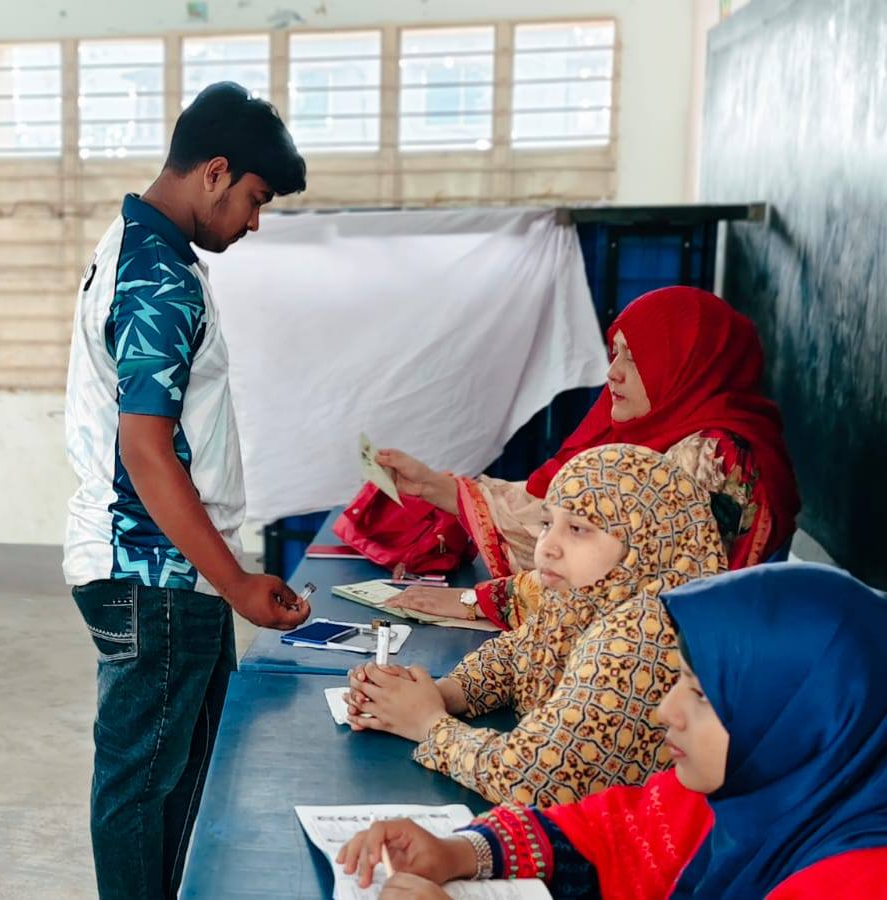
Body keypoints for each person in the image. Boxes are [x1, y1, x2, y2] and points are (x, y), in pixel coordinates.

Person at [62, 82, 309, 900]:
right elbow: (146, 452)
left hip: (171, 571)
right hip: (154, 575)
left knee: (184, 783)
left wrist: (226, 577)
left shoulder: (143, 249)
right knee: (142, 789)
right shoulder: (156, 277)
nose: (254, 221)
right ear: (214, 172)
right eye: (255, 199)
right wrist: (235, 582)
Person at [334, 563, 887, 899]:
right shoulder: (736, 798)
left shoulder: (857, 881)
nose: (666, 711)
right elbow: (609, 833)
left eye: (700, 694)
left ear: (803, 722)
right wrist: (459, 853)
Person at [378, 286, 798, 630]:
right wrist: (435, 486)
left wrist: (477, 601)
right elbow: (561, 516)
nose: (613, 371)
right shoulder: (661, 435)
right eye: (616, 352)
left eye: (636, 357)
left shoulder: (713, 455)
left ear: (686, 365)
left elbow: (621, 585)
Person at [346, 444, 725, 807]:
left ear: (644, 541)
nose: (547, 547)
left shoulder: (645, 636)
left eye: (577, 529)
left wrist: (427, 722)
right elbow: (518, 653)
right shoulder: (589, 594)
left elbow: (533, 779)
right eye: (547, 523)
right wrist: (438, 693)